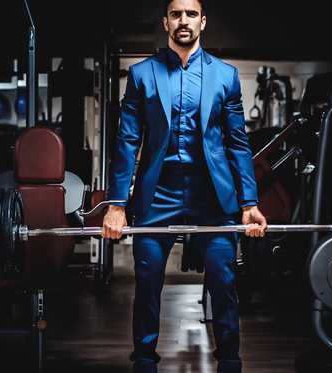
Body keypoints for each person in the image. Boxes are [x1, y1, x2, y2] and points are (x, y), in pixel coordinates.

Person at [102, 0, 267, 372]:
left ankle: (229, 360)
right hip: (159, 193)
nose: (183, 20)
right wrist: (116, 203)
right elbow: (127, 141)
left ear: (202, 22)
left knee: (223, 283)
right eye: (176, 14)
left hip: (212, 193)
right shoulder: (143, 74)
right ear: (165, 22)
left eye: (191, 14)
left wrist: (249, 201)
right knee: (147, 285)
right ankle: (144, 360)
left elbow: (238, 143)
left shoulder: (225, 76)